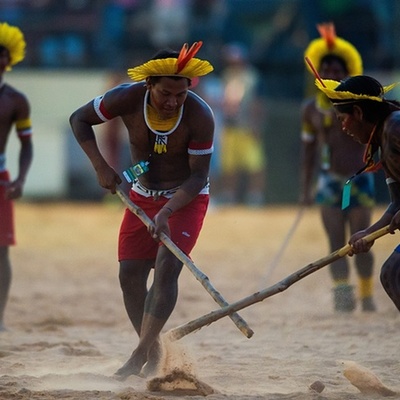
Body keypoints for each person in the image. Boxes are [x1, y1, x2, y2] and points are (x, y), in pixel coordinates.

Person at [69, 42, 214, 378]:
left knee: (166, 269)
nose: (173, 102)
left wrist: (167, 212)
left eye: (180, 94)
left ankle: (139, 355)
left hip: (185, 197)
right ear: (148, 85)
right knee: (130, 274)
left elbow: (198, 176)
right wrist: (101, 167)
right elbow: (79, 119)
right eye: (165, 93)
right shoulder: (125, 97)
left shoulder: (200, 115)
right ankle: (154, 349)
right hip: (141, 192)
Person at [300, 23, 376, 312]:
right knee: (335, 241)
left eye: (337, 71)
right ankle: (343, 297)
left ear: (347, 74)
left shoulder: (361, 106)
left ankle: (367, 294)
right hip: (329, 182)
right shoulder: (311, 110)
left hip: (359, 180)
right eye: (327, 70)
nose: (331, 75)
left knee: (363, 240)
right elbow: (308, 151)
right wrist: (305, 188)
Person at [314, 74, 400, 312]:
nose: (343, 127)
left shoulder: (396, 127)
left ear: (359, 114)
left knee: (394, 273)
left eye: (344, 119)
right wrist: (368, 233)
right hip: (333, 183)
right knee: (393, 274)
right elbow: (396, 203)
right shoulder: (382, 142)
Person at [0, 22, 33, 332]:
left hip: (1, 179)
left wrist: (21, 179)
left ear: (9, 59)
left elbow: (26, 145)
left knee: (1, 249)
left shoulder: (15, 100)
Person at [217, 42, 267, 206]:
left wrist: (256, 124)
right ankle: (230, 195)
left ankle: (255, 196)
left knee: (254, 162)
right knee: (229, 164)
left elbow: (257, 102)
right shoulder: (227, 75)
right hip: (230, 126)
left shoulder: (252, 76)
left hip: (246, 126)